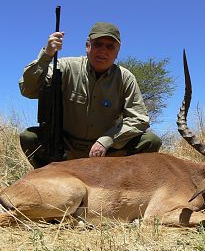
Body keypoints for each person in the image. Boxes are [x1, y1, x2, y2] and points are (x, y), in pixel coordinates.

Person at [19, 22, 162, 168]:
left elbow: (139, 118)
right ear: (88, 46)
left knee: (150, 141)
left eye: (110, 46)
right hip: (64, 146)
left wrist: (107, 140)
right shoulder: (65, 67)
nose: (103, 51)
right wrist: (47, 55)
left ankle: (124, 185)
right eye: (98, 44)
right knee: (29, 137)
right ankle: (47, 180)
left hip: (106, 150)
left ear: (117, 52)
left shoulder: (125, 78)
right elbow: (28, 89)